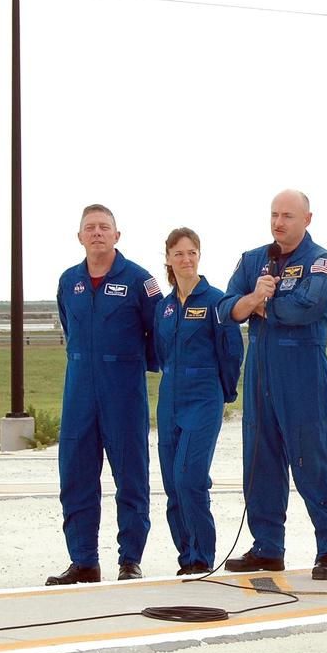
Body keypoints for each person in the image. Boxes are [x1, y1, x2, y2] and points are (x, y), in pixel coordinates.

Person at [219, 190, 327, 581]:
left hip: (302, 373)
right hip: (260, 371)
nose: (279, 222)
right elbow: (227, 309)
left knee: (313, 459)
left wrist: (261, 305)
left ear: (307, 219)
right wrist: (250, 300)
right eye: (274, 215)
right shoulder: (253, 259)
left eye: (288, 216)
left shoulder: (322, 262)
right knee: (260, 461)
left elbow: (306, 307)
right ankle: (267, 548)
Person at [48, 204, 163, 585]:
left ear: (117, 235)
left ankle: (130, 560)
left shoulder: (139, 281)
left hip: (123, 393)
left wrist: (127, 365)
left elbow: (158, 333)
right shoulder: (69, 281)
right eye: (90, 228)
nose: (97, 233)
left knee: (131, 477)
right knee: (76, 475)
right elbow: (70, 326)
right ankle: (83, 560)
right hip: (79, 390)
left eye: (104, 227)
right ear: (79, 236)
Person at [154, 228, 244, 575]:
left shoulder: (215, 301)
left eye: (192, 253)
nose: (186, 259)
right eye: (179, 254)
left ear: (199, 256)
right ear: (168, 259)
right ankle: (186, 557)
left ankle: (202, 556)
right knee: (172, 483)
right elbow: (161, 352)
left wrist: (223, 391)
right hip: (170, 396)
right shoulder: (163, 308)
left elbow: (232, 351)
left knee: (190, 477)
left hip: (204, 396)